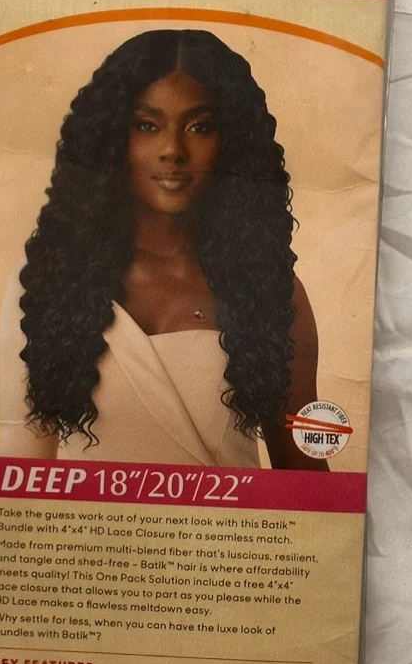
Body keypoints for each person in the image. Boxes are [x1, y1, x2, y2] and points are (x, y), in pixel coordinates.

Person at [18, 28, 326, 471]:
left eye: (199, 127)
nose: (173, 150)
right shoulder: (47, 283)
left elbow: (305, 480)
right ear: (112, 138)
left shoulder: (273, 291)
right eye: (147, 125)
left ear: (231, 142)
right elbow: (22, 476)